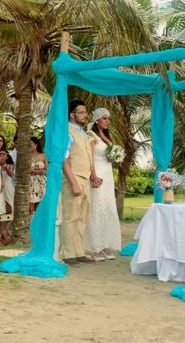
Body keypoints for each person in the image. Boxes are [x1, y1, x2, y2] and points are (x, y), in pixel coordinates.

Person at [61, 100, 99, 267]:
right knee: (71, 217)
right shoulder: (67, 131)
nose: (85, 115)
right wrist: (73, 182)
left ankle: (78, 251)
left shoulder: (83, 133)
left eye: (85, 112)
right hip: (73, 178)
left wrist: (93, 175)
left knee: (82, 217)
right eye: (81, 112)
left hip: (85, 179)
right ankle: (68, 254)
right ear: (72, 114)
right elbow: (64, 159)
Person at [83, 108, 121, 261]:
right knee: (96, 209)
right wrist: (93, 175)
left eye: (108, 119)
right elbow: (89, 157)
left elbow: (110, 156)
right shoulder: (90, 135)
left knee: (107, 208)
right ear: (97, 119)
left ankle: (105, 245)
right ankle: (94, 248)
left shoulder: (106, 136)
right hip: (97, 174)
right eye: (105, 118)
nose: (108, 121)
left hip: (108, 174)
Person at [0, 148, 15, 243]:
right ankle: (3, 232)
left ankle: (6, 230)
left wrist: (5, 167)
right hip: (0, 188)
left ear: (7, 156)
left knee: (11, 209)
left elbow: (10, 175)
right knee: (2, 210)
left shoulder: (10, 165)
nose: (2, 155)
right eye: (0, 154)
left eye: (4, 154)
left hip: (8, 187)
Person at [29, 136, 47, 217]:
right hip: (30, 182)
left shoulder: (43, 155)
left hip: (41, 182)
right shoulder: (26, 156)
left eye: (30, 143)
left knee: (41, 206)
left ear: (36, 145)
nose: (29, 145)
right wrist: (32, 171)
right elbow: (22, 170)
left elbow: (47, 170)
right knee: (30, 206)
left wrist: (42, 172)